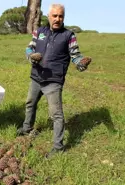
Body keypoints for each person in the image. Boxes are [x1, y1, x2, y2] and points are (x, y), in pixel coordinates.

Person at [17, 4, 92, 158]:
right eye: (55, 15)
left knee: (56, 115)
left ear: (63, 17)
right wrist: (31, 56)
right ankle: (27, 128)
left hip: (53, 81)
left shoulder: (69, 35)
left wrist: (80, 63)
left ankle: (58, 147)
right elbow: (29, 48)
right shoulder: (39, 31)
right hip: (36, 77)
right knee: (30, 103)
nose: (57, 19)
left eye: (60, 16)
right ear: (49, 16)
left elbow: (75, 55)